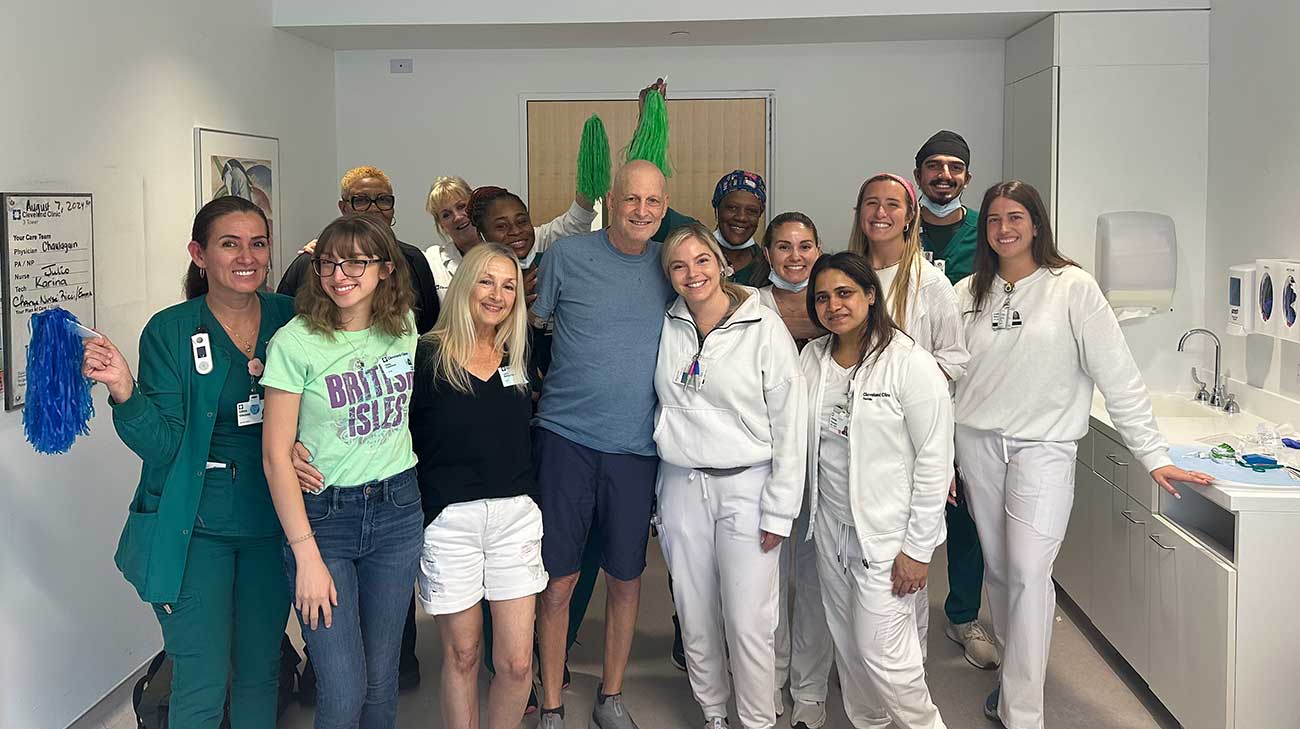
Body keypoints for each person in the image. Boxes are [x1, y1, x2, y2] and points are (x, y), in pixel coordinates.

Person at [953, 181, 1213, 729]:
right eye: (995, 219)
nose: (1004, 228)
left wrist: (1152, 453)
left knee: (1028, 570)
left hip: (1044, 447)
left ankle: (1023, 713)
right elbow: (944, 375)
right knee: (1000, 571)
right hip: (975, 443)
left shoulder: (1072, 287)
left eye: (1016, 217)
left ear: (1037, 223)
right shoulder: (967, 291)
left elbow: (1117, 374)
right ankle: (1012, 682)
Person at [84, 197, 294, 729]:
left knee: (260, 670)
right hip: (195, 525)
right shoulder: (171, 331)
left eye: (258, 242)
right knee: (200, 679)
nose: (247, 256)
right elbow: (163, 447)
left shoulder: (289, 318)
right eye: (230, 243)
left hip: (274, 521)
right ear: (199, 254)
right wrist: (126, 393)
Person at [277, 165, 435, 696]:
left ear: (386, 268)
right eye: (328, 263)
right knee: (342, 687)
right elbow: (277, 457)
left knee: (382, 678)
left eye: (356, 262)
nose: (340, 274)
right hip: (326, 517)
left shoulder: (404, 327)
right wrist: (304, 554)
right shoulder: (295, 342)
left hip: (397, 508)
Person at [531, 160, 676, 729]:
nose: (642, 211)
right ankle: (550, 701)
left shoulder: (670, 262)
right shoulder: (567, 257)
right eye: (631, 199)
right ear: (611, 201)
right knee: (558, 578)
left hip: (637, 446)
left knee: (626, 577)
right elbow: (530, 332)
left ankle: (611, 697)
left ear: (665, 206)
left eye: (654, 202)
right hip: (566, 438)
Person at [653, 223, 806, 729]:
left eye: (701, 260)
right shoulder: (669, 324)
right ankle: (714, 713)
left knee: (748, 620)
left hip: (748, 484)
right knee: (694, 613)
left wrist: (782, 508)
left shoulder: (762, 326)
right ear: (669, 277)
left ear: (722, 263)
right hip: (681, 486)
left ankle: (758, 719)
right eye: (678, 265)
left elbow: (790, 422)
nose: (691, 273)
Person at [801, 252, 953, 729]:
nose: (833, 305)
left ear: (870, 295)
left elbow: (934, 459)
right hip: (832, 529)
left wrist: (918, 548)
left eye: (845, 293)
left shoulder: (909, 364)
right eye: (822, 297)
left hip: (888, 538)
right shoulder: (813, 359)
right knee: (849, 648)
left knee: (886, 656)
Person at [410, 242, 547, 729]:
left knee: (515, 664)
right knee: (464, 655)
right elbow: (382, 428)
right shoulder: (424, 356)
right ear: (466, 284)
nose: (497, 294)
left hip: (515, 519)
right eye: (486, 281)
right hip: (451, 523)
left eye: (509, 285)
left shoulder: (518, 353)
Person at [846, 172, 967, 659]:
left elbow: (956, 358)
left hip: (907, 440)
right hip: (854, 439)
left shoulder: (929, 282)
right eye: (870, 203)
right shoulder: (849, 273)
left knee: (904, 574)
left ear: (910, 214)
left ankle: (906, 675)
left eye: (892, 204)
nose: (880, 212)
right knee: (857, 569)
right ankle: (865, 670)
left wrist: (902, 383)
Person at [912, 131, 999, 670]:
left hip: (969, 393)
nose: (945, 175)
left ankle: (963, 614)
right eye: (934, 167)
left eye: (955, 168)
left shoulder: (984, 236)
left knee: (967, 510)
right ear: (918, 173)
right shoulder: (899, 226)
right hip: (905, 397)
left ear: (967, 176)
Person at [754, 212, 833, 729]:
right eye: (783, 246)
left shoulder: (834, 303)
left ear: (818, 249)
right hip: (765, 462)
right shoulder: (748, 304)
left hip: (829, 464)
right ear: (767, 254)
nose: (795, 256)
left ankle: (809, 691)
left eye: (805, 246)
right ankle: (770, 679)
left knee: (816, 582)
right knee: (766, 584)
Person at [279, 165, 439, 336]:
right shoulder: (310, 263)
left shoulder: (414, 259)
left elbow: (429, 327)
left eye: (383, 199)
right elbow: (282, 318)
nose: (374, 208)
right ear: (343, 208)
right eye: (361, 200)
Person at [424, 175, 596, 302]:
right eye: (446, 215)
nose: (458, 217)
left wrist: (589, 178)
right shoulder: (433, 261)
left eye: (462, 207)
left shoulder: (524, 239)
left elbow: (574, 222)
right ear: (441, 225)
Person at [712, 170, 768, 286]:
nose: (741, 217)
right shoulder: (697, 257)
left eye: (751, 211)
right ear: (717, 208)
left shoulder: (766, 266)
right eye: (732, 208)